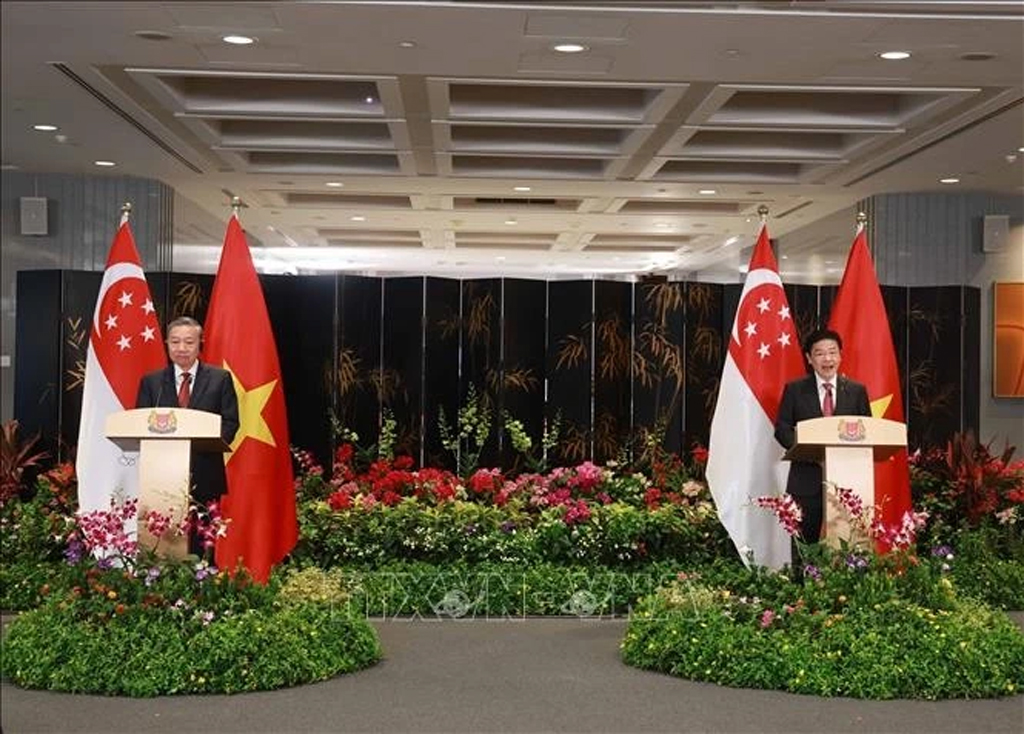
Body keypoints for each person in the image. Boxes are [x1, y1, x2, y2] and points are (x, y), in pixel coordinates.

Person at [136, 316, 239, 547]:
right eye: (175, 342)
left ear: (200, 343)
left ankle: (203, 581)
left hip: (205, 472)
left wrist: (202, 442)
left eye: (189, 342)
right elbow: (140, 423)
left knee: (202, 544)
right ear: (167, 343)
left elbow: (231, 423)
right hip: (160, 475)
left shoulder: (219, 379)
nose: (181, 348)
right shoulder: (152, 382)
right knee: (161, 544)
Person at [774, 328, 871, 543]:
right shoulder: (795, 390)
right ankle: (804, 578)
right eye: (819, 353)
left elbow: (868, 431)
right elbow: (782, 429)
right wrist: (808, 451)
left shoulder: (857, 391)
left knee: (849, 545)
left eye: (832, 352)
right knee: (804, 545)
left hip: (848, 484)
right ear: (809, 358)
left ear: (840, 355)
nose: (827, 359)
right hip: (806, 481)